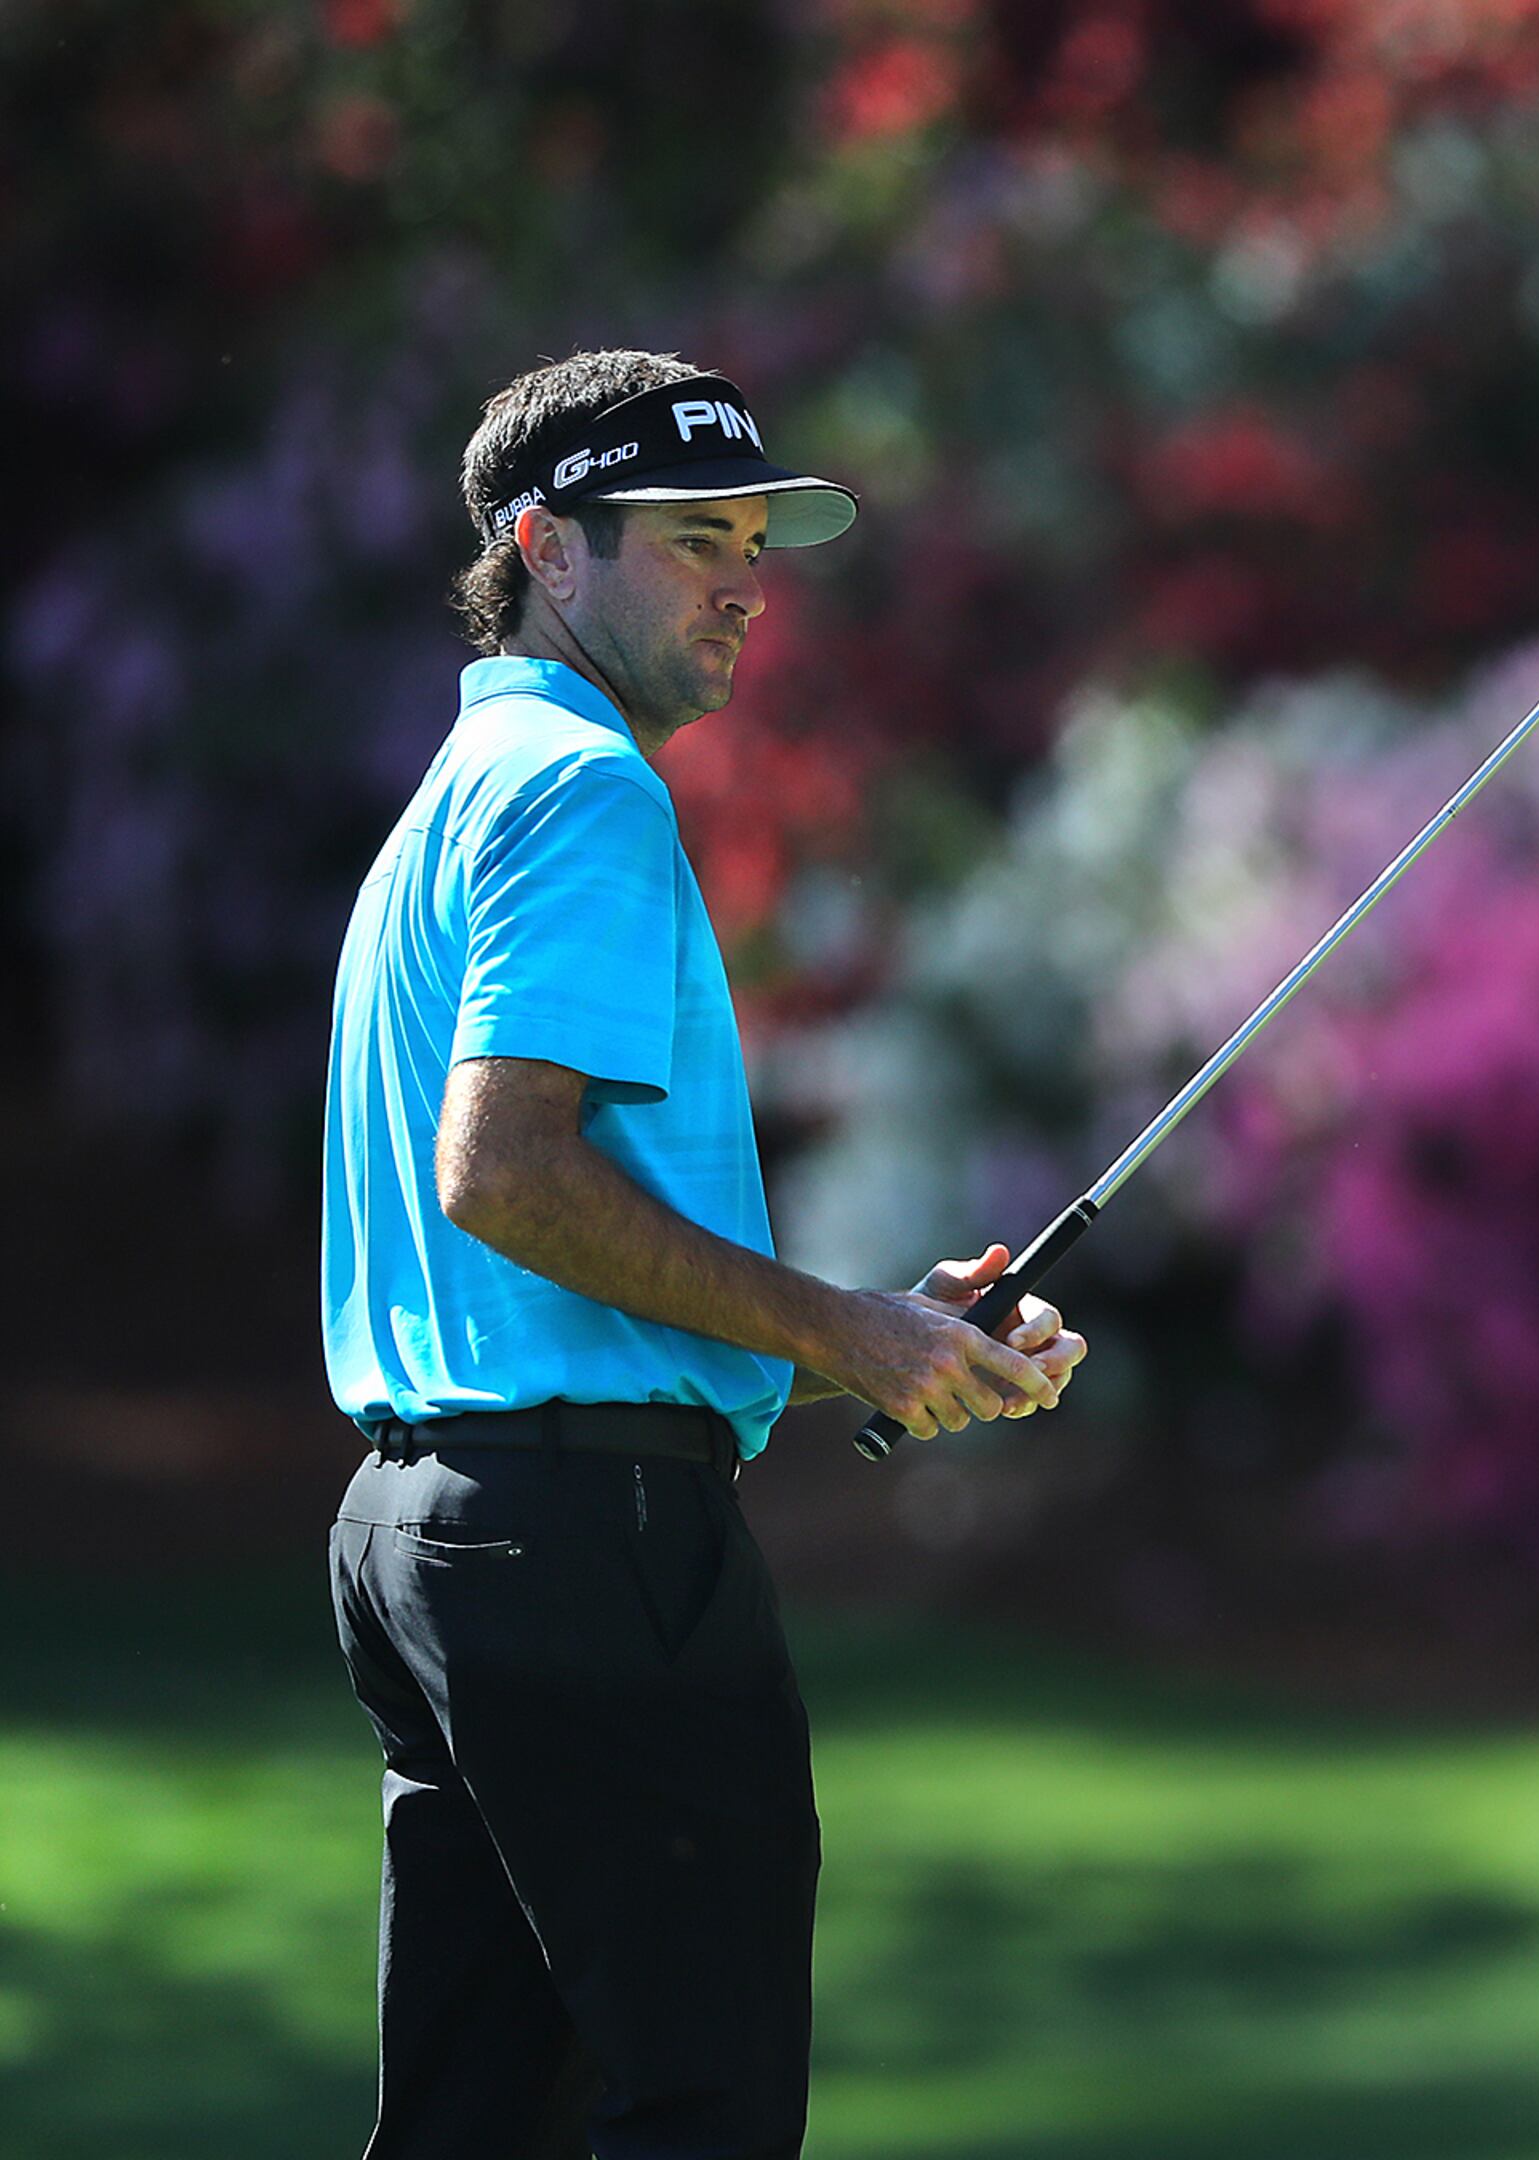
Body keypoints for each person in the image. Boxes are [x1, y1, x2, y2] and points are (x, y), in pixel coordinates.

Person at [320, 349, 1084, 2159]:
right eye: (687, 541)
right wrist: (842, 1332)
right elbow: (505, 1179)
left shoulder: (453, 798)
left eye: (750, 537)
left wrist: (862, 1341)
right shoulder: (585, 791)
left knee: (475, 2123)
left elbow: (527, 1252)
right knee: (703, 2108)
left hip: (430, 1537)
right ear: (543, 547)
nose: (745, 578)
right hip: (589, 1550)